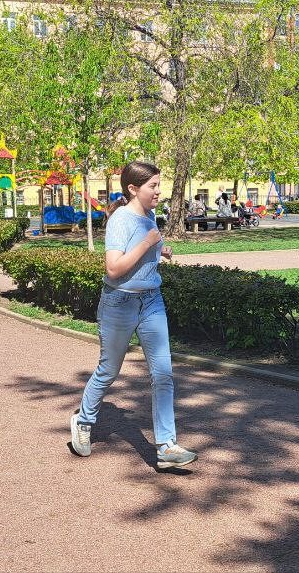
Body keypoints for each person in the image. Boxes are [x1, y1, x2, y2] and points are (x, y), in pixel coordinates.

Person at [70, 161, 197, 470]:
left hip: (152, 301)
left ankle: (166, 447)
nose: (159, 191)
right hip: (119, 303)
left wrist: (160, 250)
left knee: (163, 373)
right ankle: (83, 421)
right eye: (153, 186)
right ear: (133, 189)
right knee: (109, 370)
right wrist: (148, 243)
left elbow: (143, 250)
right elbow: (114, 269)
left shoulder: (150, 216)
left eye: (158, 185)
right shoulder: (120, 220)